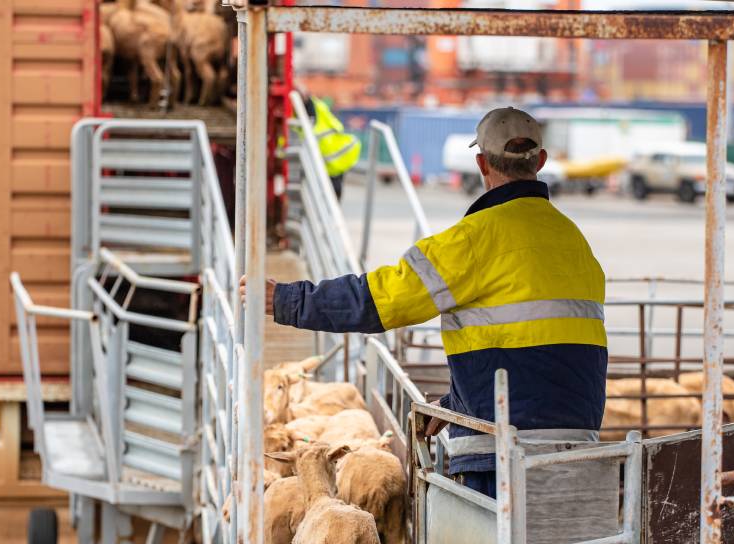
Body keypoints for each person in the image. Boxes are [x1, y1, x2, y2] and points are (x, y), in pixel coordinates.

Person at [244, 107, 607, 498]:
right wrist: (455, 403)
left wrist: (283, 299)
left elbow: (379, 300)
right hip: (578, 444)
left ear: (482, 164)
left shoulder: (471, 240)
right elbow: (537, 347)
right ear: (540, 161)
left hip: (501, 448)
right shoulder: (574, 241)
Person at [303, 95, 361, 200]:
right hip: (333, 159)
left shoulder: (316, 110)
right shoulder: (320, 107)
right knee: (331, 195)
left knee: (330, 195)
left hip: (330, 160)